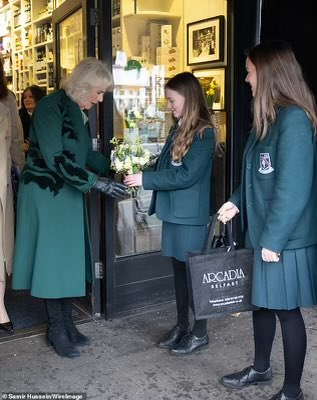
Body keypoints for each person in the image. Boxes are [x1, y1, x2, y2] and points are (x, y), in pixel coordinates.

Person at [218, 41, 317, 400]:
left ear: (268, 73)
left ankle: (293, 391)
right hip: (262, 234)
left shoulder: (292, 120)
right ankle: (261, 368)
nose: (246, 78)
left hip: (282, 240)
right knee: (261, 303)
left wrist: (273, 241)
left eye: (249, 71)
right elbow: (255, 177)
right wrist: (235, 202)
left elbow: (293, 189)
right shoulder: (268, 118)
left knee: (287, 313)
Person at [12, 58, 128, 358]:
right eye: (99, 92)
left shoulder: (76, 108)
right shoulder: (50, 107)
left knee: (67, 261)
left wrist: (118, 166)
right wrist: (97, 184)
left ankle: (67, 323)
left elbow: (83, 154)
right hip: (46, 193)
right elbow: (56, 159)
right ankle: (56, 328)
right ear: (84, 86)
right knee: (53, 262)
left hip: (69, 190)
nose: (101, 99)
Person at [124, 72, 216, 356]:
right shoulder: (179, 128)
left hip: (190, 217)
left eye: (172, 100)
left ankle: (200, 333)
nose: (169, 105)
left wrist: (146, 180)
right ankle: (182, 326)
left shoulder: (204, 133)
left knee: (193, 276)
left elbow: (186, 176)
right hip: (176, 215)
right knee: (178, 272)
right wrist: (139, 170)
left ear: (188, 98)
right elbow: (166, 165)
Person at [0, 58, 25, 335]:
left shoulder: (7, 98)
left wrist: (23, 173)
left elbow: (16, 141)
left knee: (1, 249)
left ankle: (0, 308)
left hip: (1, 184)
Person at [19, 85, 46, 152]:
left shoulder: (47, 116)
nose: (27, 100)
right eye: (24, 98)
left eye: (31, 97)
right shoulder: (19, 115)